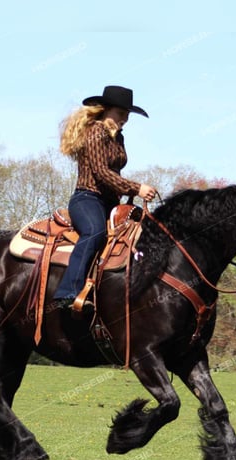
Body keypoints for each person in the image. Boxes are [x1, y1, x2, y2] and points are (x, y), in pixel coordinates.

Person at [53, 85, 157, 309]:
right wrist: (136, 188)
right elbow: (101, 172)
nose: (125, 119)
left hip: (111, 203)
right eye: (121, 114)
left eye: (127, 115)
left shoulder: (118, 137)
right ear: (106, 110)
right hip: (87, 198)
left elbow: (114, 174)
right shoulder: (95, 131)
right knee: (94, 233)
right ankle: (67, 292)